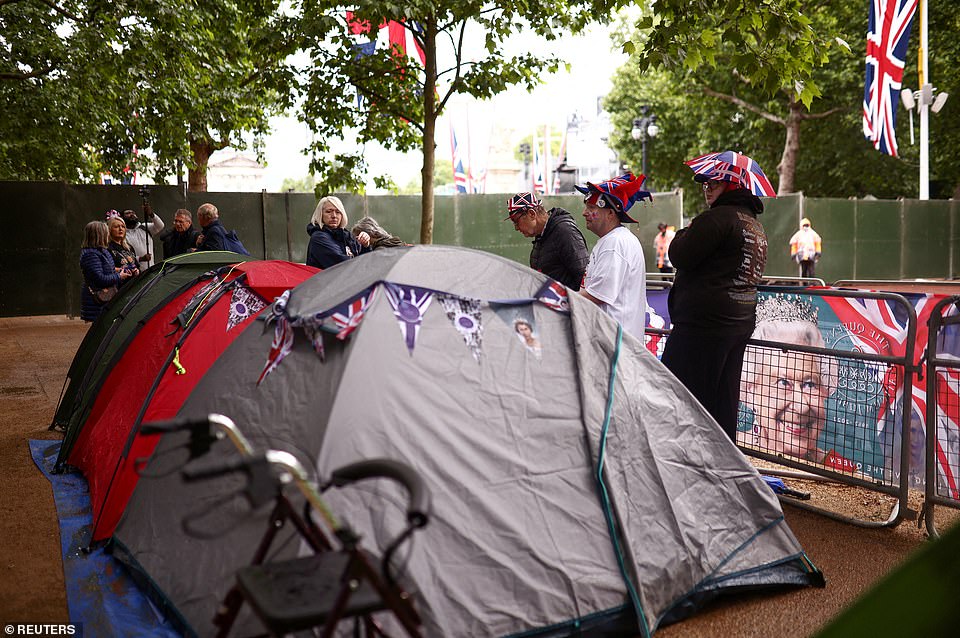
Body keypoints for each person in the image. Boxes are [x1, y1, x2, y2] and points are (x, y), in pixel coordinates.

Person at [660, 162, 768, 442]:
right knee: (723, 403)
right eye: (705, 183)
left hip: (703, 328)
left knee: (679, 397)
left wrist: (686, 231)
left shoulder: (717, 218)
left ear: (731, 186)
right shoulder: (754, 225)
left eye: (714, 183)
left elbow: (680, 254)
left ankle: (683, 463)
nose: (707, 188)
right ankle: (722, 467)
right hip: (737, 323)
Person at [739, 295, 838, 461]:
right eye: (783, 383)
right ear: (751, 393)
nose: (801, 406)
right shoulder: (730, 457)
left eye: (810, 384)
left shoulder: (841, 473)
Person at [575, 173, 650, 337]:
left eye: (592, 208)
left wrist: (561, 300)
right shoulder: (614, 240)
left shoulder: (614, 243)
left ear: (610, 213)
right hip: (615, 343)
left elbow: (597, 295)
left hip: (613, 346)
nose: (584, 213)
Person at [504, 192, 588, 290]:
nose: (516, 228)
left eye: (516, 221)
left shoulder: (564, 231)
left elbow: (583, 276)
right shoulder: (541, 235)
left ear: (531, 214)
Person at [80, 221, 134, 322]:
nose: (108, 234)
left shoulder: (102, 251)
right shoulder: (90, 255)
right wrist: (119, 276)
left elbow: (108, 269)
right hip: (97, 302)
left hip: (107, 299)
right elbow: (100, 279)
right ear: (99, 235)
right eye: (106, 232)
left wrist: (121, 270)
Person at [305, 196, 371, 268]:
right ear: (320, 215)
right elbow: (343, 265)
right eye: (329, 211)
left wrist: (365, 245)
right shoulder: (319, 238)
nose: (334, 216)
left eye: (338, 212)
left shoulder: (345, 236)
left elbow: (367, 262)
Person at [121, 204, 164, 268]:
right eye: (128, 213)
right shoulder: (122, 234)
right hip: (135, 273)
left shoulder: (144, 227)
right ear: (122, 218)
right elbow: (124, 256)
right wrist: (141, 259)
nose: (132, 214)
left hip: (150, 269)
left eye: (133, 213)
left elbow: (160, 226)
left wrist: (151, 214)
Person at [106, 211, 140, 277]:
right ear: (109, 230)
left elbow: (137, 265)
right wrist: (122, 270)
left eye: (123, 227)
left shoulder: (129, 247)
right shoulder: (107, 247)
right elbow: (106, 269)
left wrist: (137, 271)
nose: (120, 229)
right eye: (116, 227)